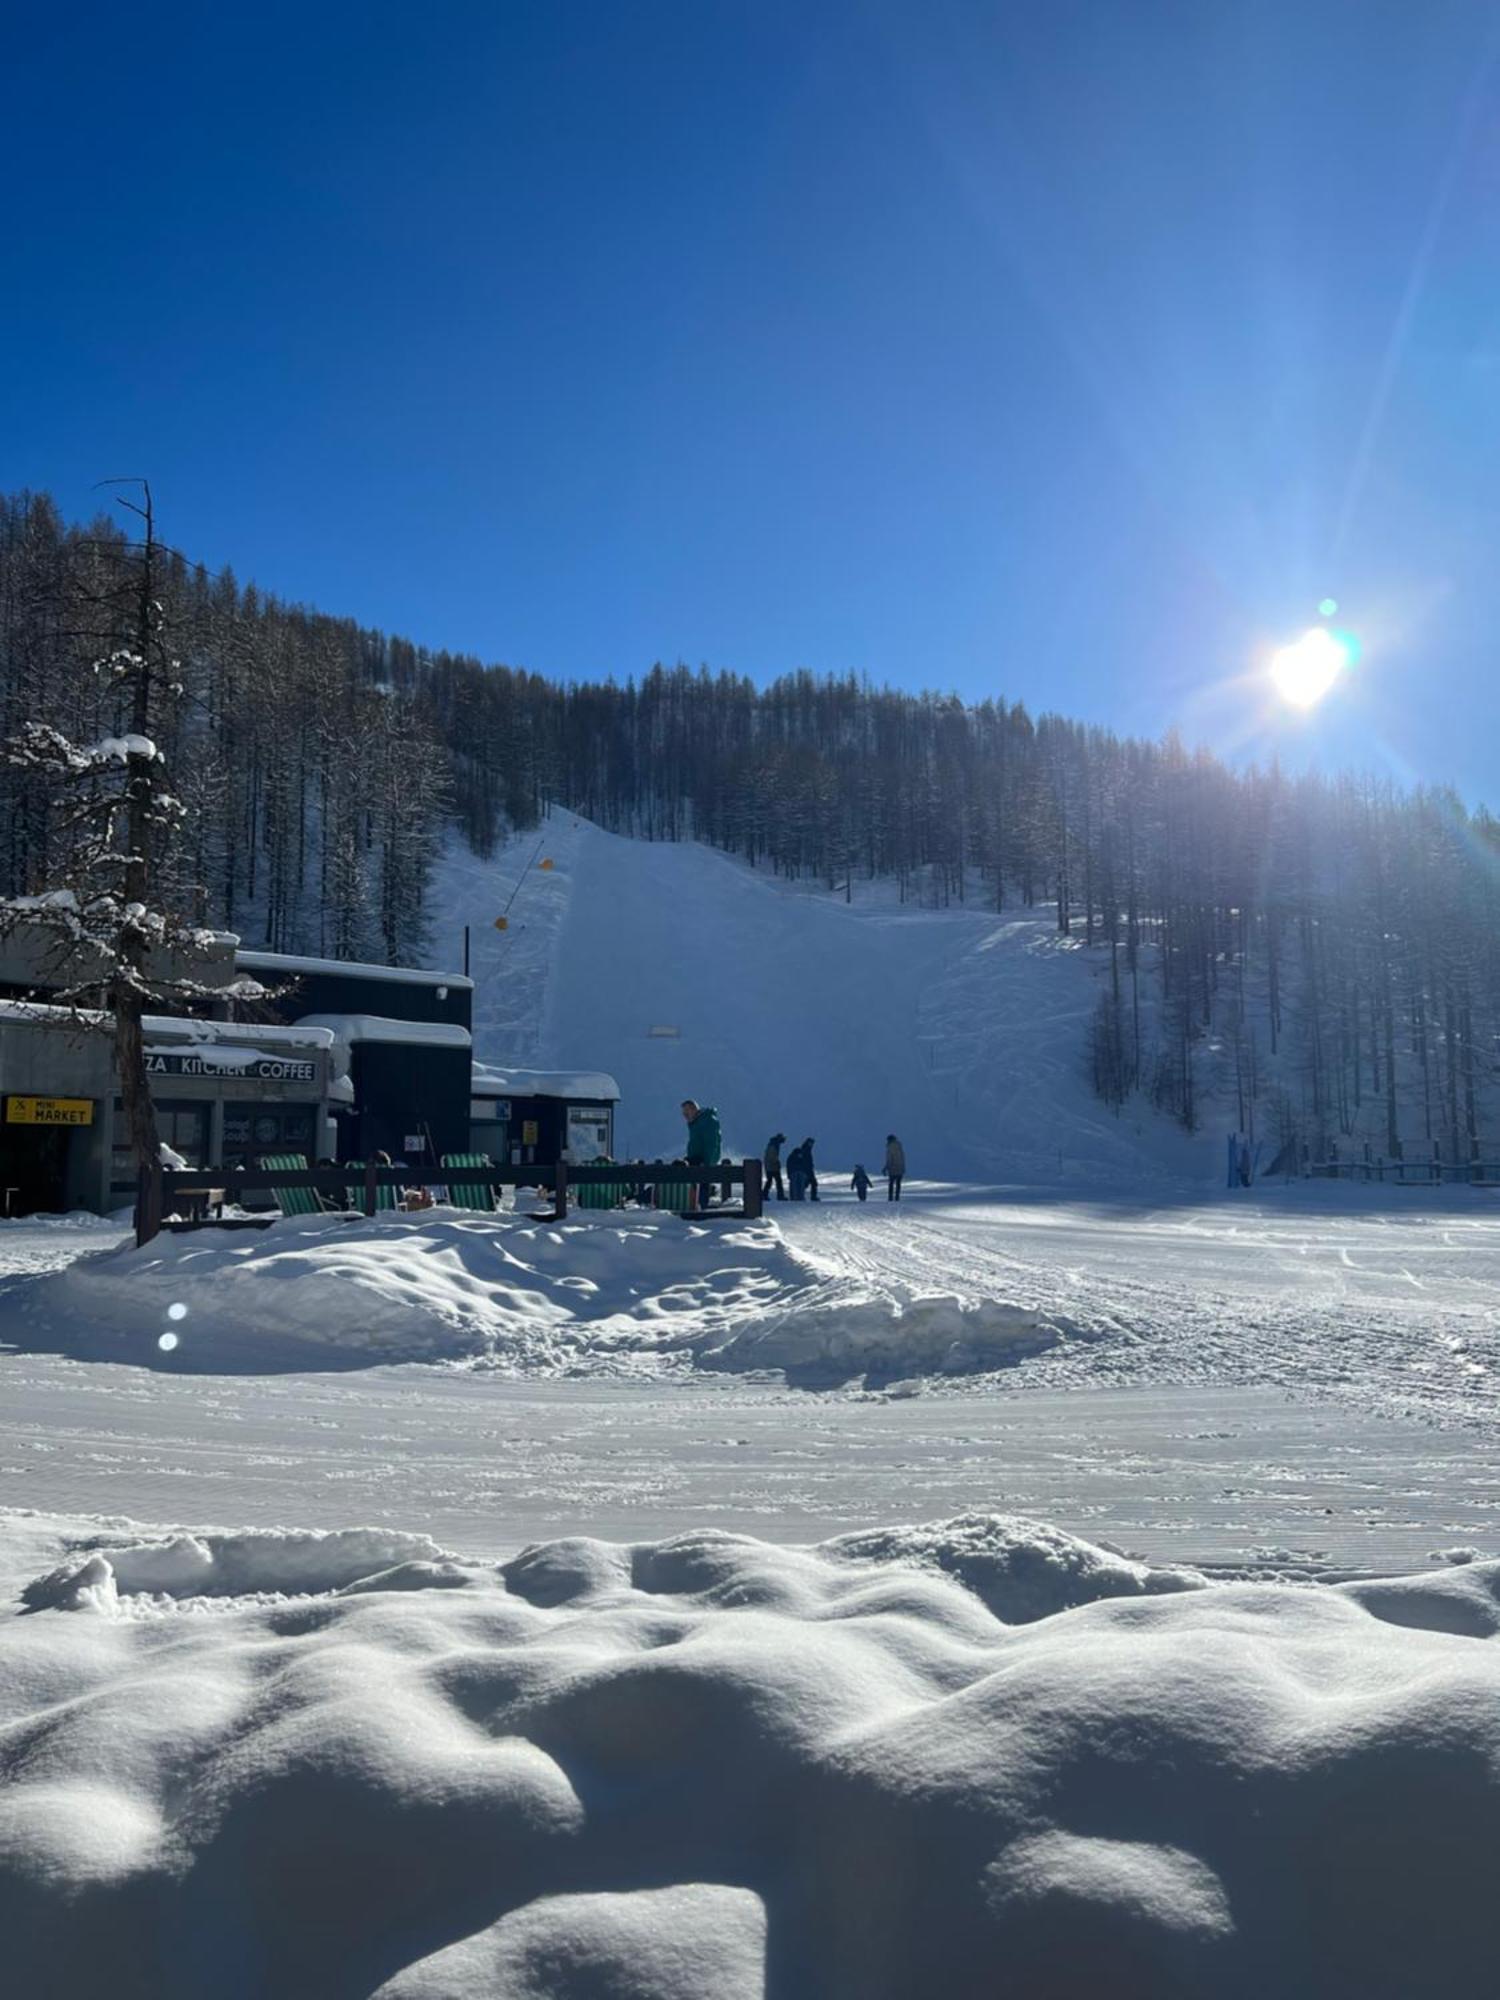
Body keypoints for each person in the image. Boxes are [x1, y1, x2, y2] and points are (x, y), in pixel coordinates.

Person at [681, 1099, 722, 1207]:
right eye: (683, 1113)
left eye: (686, 1112)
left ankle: (701, 1209)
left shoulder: (707, 1121)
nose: (684, 1115)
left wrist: (707, 1163)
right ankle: (697, 1206)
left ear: (694, 1109)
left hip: (702, 1162)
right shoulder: (697, 1122)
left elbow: (712, 1143)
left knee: (702, 1187)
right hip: (697, 1160)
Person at [763, 1132, 786, 1201]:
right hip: (772, 1167)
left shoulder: (773, 1144)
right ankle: (780, 1196)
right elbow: (772, 1156)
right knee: (777, 1181)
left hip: (770, 1166)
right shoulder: (774, 1145)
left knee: (770, 1181)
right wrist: (776, 1162)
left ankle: (764, 1195)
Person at [884, 1133, 906, 1201]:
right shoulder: (900, 1147)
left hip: (893, 1169)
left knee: (891, 1184)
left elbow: (889, 1159)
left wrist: (886, 1168)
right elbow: (903, 1158)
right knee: (898, 1184)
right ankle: (897, 1197)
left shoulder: (890, 1148)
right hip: (900, 1169)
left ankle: (890, 1197)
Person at [801, 1136, 819, 1201]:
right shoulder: (805, 1149)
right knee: (813, 1183)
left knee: (807, 1184)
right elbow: (806, 1161)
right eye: (811, 1143)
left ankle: (802, 1195)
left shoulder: (806, 1149)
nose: (812, 1145)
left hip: (808, 1169)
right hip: (807, 1170)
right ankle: (812, 1197)